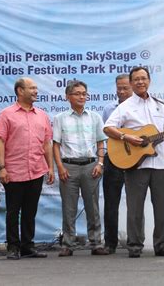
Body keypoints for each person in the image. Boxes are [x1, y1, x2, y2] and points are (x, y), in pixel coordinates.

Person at [104, 66, 164, 258]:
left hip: (161, 163)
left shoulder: (160, 105)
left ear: (149, 81)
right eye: (136, 79)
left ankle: (162, 244)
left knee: (162, 206)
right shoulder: (125, 107)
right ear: (131, 83)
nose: (140, 82)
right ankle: (135, 245)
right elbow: (108, 128)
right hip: (136, 164)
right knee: (135, 207)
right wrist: (127, 138)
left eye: (143, 78)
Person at [0, 77, 54, 260]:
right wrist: (2, 168)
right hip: (13, 171)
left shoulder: (42, 115)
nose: (36, 91)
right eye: (32, 88)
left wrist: (50, 168)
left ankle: (28, 246)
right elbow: (0, 141)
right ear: (20, 91)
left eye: (36, 88)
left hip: (36, 170)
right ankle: (13, 247)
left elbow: (46, 144)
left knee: (30, 211)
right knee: (13, 211)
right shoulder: (6, 114)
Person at [53, 80, 109, 256]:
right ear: (68, 96)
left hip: (91, 165)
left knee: (92, 207)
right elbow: (55, 145)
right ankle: (68, 244)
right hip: (69, 167)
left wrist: (100, 163)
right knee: (69, 208)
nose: (82, 96)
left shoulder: (95, 117)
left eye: (84, 93)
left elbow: (101, 142)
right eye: (77, 93)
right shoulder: (60, 118)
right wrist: (60, 167)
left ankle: (96, 243)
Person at [102, 74, 133, 254]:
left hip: (134, 160)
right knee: (111, 203)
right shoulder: (109, 109)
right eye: (119, 88)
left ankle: (134, 240)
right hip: (113, 159)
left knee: (134, 203)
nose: (121, 91)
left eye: (125, 88)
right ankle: (110, 243)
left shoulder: (140, 108)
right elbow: (108, 134)